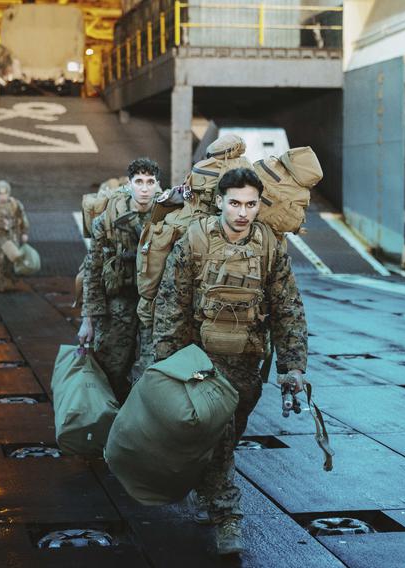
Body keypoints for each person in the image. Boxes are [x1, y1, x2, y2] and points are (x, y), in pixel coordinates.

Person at [151, 167, 308, 556]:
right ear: (220, 201)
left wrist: (293, 365)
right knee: (219, 435)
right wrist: (164, 363)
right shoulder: (196, 240)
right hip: (201, 358)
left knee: (229, 434)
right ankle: (228, 517)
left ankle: (207, 489)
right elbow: (173, 301)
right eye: (235, 203)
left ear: (259, 205)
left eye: (251, 204)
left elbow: (287, 306)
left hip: (247, 360)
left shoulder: (269, 246)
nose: (242, 212)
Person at [77, 158, 159, 402]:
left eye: (150, 182)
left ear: (158, 185)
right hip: (118, 303)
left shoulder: (168, 218)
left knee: (151, 370)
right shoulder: (108, 220)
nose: (145, 188)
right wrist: (88, 320)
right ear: (130, 184)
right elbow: (92, 270)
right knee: (111, 367)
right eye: (139, 182)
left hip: (153, 305)